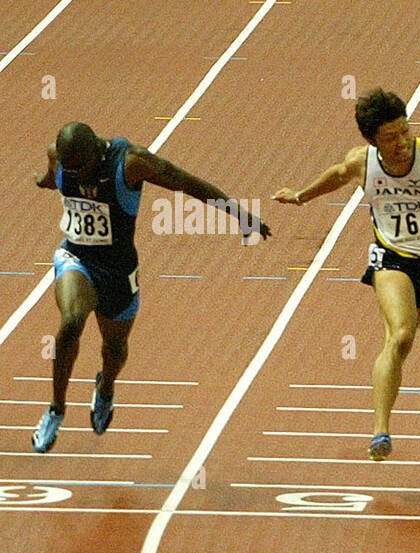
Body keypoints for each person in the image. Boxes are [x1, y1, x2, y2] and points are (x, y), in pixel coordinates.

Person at [274, 88, 420, 460]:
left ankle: (406, 345)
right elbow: (337, 175)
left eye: (405, 132)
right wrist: (300, 196)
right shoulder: (363, 163)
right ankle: (381, 431)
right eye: (390, 138)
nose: (401, 143)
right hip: (390, 260)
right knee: (399, 337)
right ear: (372, 141)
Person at [31, 122, 270, 453]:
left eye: (81, 170)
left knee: (113, 348)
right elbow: (51, 175)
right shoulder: (62, 157)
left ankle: (106, 386)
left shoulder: (131, 162)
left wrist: (239, 214)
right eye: (70, 170)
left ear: (96, 154)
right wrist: (45, 180)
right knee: (71, 322)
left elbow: (187, 183)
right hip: (77, 257)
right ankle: (56, 408)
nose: (77, 177)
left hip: (118, 270)